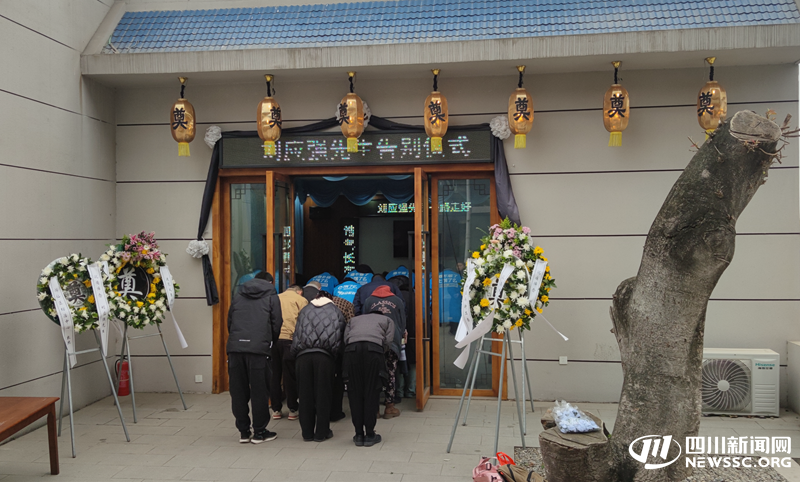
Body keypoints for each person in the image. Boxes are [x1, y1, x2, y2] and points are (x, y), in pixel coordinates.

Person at [226, 271, 282, 444]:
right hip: (259, 349)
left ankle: (243, 432)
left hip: (235, 348)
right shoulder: (272, 296)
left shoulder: (238, 295)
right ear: (270, 282)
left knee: (238, 391)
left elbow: (230, 321)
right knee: (260, 391)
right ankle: (260, 431)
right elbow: (277, 323)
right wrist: (269, 342)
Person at [290, 291, 346, 442]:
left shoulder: (305, 310)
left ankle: (307, 433)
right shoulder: (336, 311)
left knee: (304, 395)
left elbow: (297, 332)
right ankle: (322, 432)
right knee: (323, 394)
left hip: (302, 356)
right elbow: (341, 337)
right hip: (324, 357)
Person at [343, 310, 394, 447]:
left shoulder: (354, 320)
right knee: (372, 392)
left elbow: (346, 338)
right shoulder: (387, 320)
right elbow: (388, 341)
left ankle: (359, 434)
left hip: (352, 351)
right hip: (373, 351)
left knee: (354, 392)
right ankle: (370, 434)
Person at [364, 285, 405, 418]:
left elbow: (363, 319)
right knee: (391, 373)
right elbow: (402, 321)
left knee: (373, 374)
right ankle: (389, 407)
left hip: (373, 341)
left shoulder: (368, 301)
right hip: (392, 340)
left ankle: (374, 409)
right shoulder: (397, 300)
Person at [270, 284, 308, 421]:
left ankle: (276, 409)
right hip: (290, 341)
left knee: (274, 375)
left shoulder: (274, 298)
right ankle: (292, 409)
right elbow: (304, 322)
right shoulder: (301, 300)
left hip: (273, 340)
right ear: (299, 292)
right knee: (290, 376)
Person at [389, 274, 416, 399]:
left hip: (398, 333)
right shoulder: (416, 296)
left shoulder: (394, 299)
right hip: (415, 333)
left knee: (399, 362)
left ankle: (399, 391)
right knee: (413, 362)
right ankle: (411, 390)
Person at [330, 294, 355, 422]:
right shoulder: (346, 304)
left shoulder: (310, 306)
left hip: (318, 348)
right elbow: (351, 324)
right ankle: (336, 411)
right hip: (339, 346)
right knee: (338, 379)